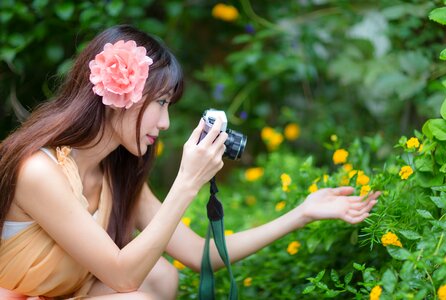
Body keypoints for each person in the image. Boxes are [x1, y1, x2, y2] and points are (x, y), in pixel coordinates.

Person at [0, 25, 379, 299]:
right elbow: (123, 277)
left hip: (62, 293)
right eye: (161, 103)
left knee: (163, 278)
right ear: (121, 94)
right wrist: (187, 182)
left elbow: (205, 257)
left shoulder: (116, 174)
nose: (164, 123)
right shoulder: (38, 170)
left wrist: (302, 213)